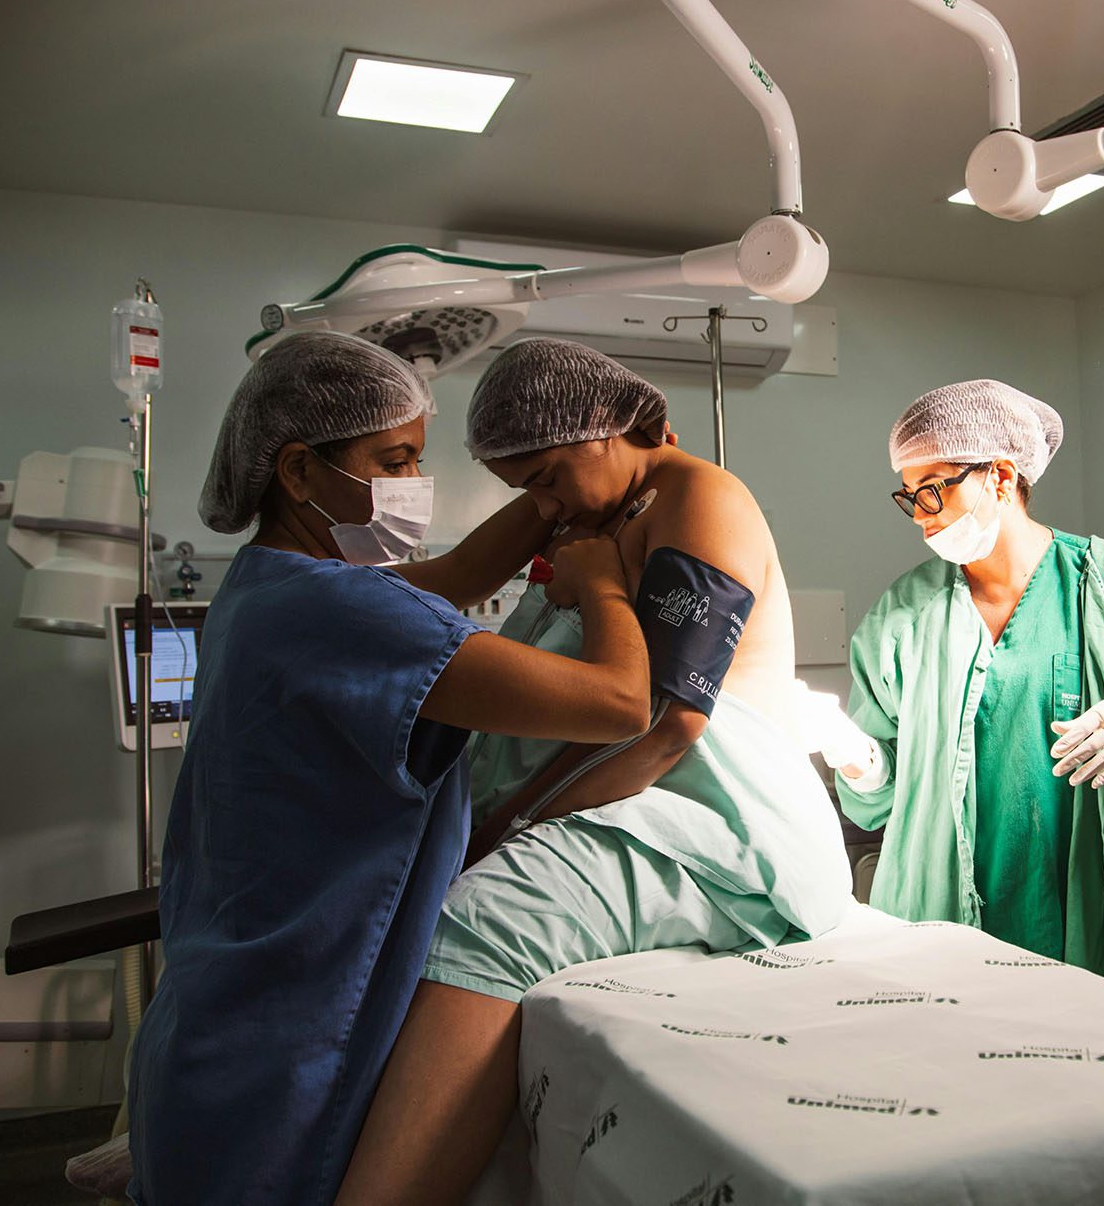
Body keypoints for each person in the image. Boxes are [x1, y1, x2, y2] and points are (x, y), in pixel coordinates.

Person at [125, 332, 651, 1206]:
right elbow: (621, 706)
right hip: (284, 1067)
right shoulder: (341, 609)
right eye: (394, 459)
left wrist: (550, 493)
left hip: (211, 1043)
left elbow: (441, 579)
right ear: (297, 471)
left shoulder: (262, 588)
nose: (411, 483)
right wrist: (600, 581)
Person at [338, 338, 851, 1205]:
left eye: (544, 477)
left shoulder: (701, 498)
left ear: (607, 429)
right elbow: (452, 580)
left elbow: (670, 721)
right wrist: (303, 593)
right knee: (387, 882)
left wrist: (515, 827)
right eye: (523, 488)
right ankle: (284, 1137)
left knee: (484, 916)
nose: (539, 504)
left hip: (725, 821)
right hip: (629, 797)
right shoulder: (582, 507)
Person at [807, 379, 1104, 987]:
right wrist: (855, 757)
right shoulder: (904, 615)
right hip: (940, 928)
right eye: (911, 496)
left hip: (1095, 930)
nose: (922, 516)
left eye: (935, 489)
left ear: (1002, 476)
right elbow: (879, 801)